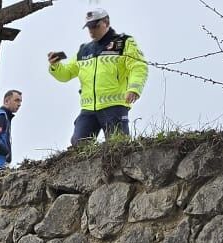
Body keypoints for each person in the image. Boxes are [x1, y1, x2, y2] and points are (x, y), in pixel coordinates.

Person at [49, 7, 148, 147]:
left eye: (95, 26)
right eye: (89, 27)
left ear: (106, 22)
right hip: (88, 108)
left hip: (115, 105)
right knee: (78, 145)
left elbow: (139, 66)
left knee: (119, 148)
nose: (91, 30)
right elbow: (66, 74)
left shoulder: (123, 42)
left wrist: (134, 88)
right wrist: (56, 66)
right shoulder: (84, 50)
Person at [0, 89, 23, 169]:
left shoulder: (5, 117)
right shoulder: (1, 116)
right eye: (17, 100)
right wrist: (7, 152)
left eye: (20, 102)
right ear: (6, 101)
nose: (19, 104)